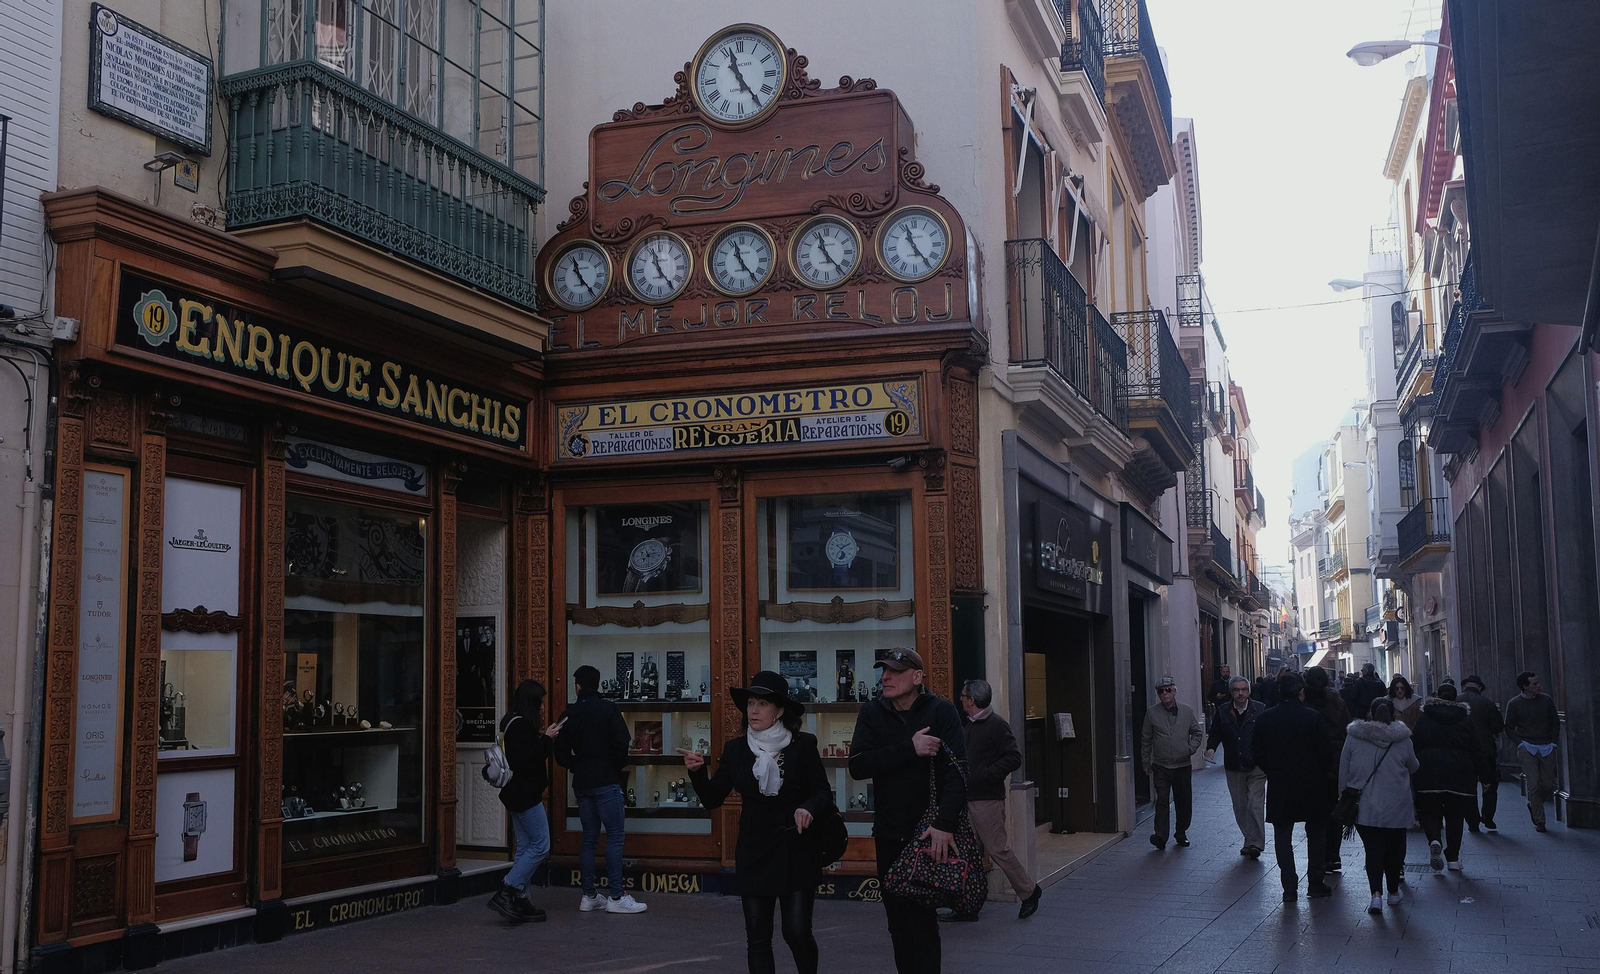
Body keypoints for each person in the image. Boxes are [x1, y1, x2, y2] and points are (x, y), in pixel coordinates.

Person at [683, 671, 831, 974]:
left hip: (797, 850)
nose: (753, 710)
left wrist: (808, 808)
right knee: (758, 939)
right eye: (750, 703)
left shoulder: (802, 746)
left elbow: (822, 792)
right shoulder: (736, 750)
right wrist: (698, 773)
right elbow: (713, 798)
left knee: (797, 932)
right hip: (755, 851)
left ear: (779, 710)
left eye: (762, 704)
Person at [848, 648, 965, 974]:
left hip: (930, 834)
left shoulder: (943, 712)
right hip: (889, 834)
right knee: (898, 924)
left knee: (924, 924)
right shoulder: (872, 712)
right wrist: (908, 749)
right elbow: (857, 766)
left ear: (917, 677)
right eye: (883, 671)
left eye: (895, 672)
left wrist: (945, 823)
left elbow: (958, 773)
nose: (886, 677)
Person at [554, 664, 646, 913]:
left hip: (582, 783)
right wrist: (613, 767)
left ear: (578, 686)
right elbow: (622, 741)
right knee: (615, 836)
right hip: (606, 779)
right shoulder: (608, 709)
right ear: (598, 684)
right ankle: (616, 896)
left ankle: (589, 895)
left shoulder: (569, 714)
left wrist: (576, 764)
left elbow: (560, 752)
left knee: (589, 839)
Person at [955, 679, 1041, 919]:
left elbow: (1014, 758)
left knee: (997, 850)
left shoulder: (996, 724)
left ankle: (1029, 891)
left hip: (987, 800)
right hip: (968, 798)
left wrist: (983, 775)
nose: (960, 698)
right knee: (966, 852)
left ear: (972, 700)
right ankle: (966, 904)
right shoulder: (970, 725)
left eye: (963, 695)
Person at [1254, 672, 1337, 901]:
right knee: (1316, 834)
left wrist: (1272, 770)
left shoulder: (1265, 718)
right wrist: (1320, 772)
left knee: (1282, 835)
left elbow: (1257, 753)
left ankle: (1289, 887)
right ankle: (1315, 883)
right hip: (1312, 784)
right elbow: (1326, 752)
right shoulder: (1313, 717)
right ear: (1301, 692)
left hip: (1281, 784)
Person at [488, 680, 566, 923]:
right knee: (541, 844)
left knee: (524, 846)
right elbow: (527, 759)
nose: (543, 707)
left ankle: (520, 899)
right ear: (531, 702)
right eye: (540, 702)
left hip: (514, 793)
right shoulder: (521, 725)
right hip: (525, 793)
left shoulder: (509, 721)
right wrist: (548, 739)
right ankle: (508, 889)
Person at [1340, 698, 1419, 914]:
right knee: (1395, 850)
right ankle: (1393, 892)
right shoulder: (1403, 739)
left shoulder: (1354, 736)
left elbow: (1344, 767)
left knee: (1373, 851)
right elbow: (1414, 766)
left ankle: (1376, 895)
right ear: (1394, 714)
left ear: (1370, 713)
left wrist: (1343, 795)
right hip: (1397, 804)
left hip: (1365, 804)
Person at [1412, 683, 1494, 871]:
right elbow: (1476, 749)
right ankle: (1453, 858)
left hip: (1428, 771)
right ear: (1455, 698)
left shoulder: (1424, 717)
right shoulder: (1465, 719)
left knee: (1430, 811)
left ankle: (1434, 839)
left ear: (1437, 696)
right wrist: (1485, 776)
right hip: (1460, 772)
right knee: (1455, 816)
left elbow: (1414, 744)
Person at [1205, 676, 1266, 859]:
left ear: (1249, 691)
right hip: (1234, 765)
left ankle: (1256, 843)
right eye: (1237, 690)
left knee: (1255, 804)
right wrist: (1211, 748)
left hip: (1257, 765)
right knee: (1240, 807)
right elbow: (1216, 732)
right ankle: (1249, 840)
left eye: (1244, 689)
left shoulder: (1260, 709)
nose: (1241, 693)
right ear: (1231, 692)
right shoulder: (1223, 711)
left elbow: (1267, 734)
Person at [1140, 676, 1202, 851]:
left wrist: (1190, 749)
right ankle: (1160, 836)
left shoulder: (1186, 711)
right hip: (1161, 765)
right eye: (1161, 691)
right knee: (1162, 801)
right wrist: (1146, 761)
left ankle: (1181, 833)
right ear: (1158, 694)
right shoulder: (1152, 713)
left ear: (1174, 691)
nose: (1165, 693)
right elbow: (1146, 739)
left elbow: (1197, 733)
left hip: (1182, 765)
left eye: (1168, 690)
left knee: (1183, 801)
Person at [1303, 666, 1350, 873]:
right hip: (1335, 763)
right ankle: (1334, 855)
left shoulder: (1305, 704)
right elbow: (1347, 731)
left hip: (1311, 765)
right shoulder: (1338, 703)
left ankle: (1321, 857)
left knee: (1315, 815)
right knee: (1334, 811)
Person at [1504, 671, 1561, 833]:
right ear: (1525, 687)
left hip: (1546, 746)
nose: (1538, 686)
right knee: (1533, 783)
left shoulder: (1546, 700)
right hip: (1527, 746)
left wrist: (1553, 743)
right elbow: (1508, 727)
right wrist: (1520, 744)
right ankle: (1540, 820)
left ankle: (1533, 804)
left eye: (1537, 683)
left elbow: (1555, 722)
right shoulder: (1514, 703)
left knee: (1549, 783)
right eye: (1534, 684)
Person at [1459, 675, 1505, 832]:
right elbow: (1498, 726)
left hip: (1463, 751)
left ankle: (1472, 820)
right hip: (1486, 751)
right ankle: (1488, 816)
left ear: (1464, 686)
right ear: (1479, 687)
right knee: (1490, 784)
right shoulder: (1488, 703)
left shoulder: (1456, 702)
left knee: (1468, 786)